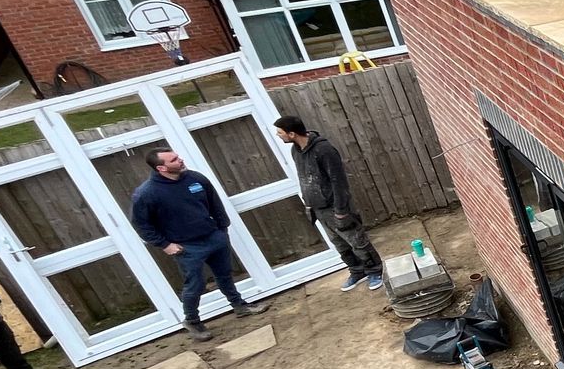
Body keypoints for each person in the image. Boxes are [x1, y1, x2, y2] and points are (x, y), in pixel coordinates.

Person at [129, 149, 267, 341]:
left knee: (224, 274)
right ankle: (192, 321)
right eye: (174, 159)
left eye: (178, 156)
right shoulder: (147, 194)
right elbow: (141, 225)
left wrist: (222, 229)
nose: (180, 160)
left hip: (213, 236)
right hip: (186, 247)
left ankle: (240, 306)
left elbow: (215, 204)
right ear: (161, 168)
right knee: (195, 285)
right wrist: (165, 244)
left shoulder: (195, 179)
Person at [273, 115, 383, 291]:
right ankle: (357, 271)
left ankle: (375, 271)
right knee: (340, 244)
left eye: (280, 132)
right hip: (319, 208)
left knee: (357, 241)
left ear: (292, 133)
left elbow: (339, 182)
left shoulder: (324, 150)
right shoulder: (296, 151)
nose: (278, 135)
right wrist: (309, 203)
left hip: (335, 207)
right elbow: (305, 178)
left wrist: (341, 210)